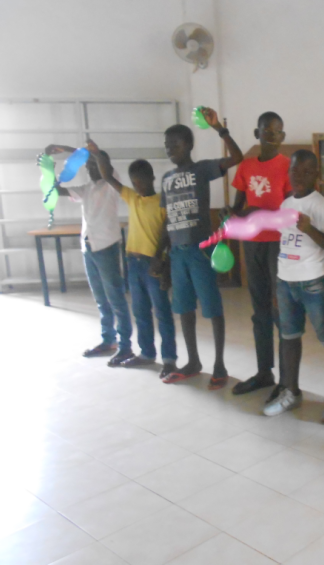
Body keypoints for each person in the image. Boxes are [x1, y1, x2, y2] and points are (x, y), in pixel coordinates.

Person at [150, 108, 243, 389]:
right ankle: (193, 361)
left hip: (201, 252)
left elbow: (237, 158)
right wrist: (159, 254)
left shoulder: (201, 169)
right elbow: (168, 220)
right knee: (184, 309)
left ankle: (219, 365)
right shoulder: (166, 179)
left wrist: (219, 129)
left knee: (212, 309)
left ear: (188, 144)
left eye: (174, 144)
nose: (170, 150)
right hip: (177, 254)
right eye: (166, 145)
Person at [263, 150, 324, 420]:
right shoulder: (286, 203)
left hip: (314, 282)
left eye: (307, 172)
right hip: (286, 281)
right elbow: (284, 241)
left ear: (317, 176)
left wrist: (309, 228)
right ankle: (291, 391)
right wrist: (278, 281)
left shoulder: (321, 205)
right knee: (289, 338)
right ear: (288, 173)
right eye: (295, 171)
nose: (299, 176)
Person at [90, 140, 177, 370]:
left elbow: (169, 235)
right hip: (133, 262)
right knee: (140, 312)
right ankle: (147, 354)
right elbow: (107, 176)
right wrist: (97, 154)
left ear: (152, 179)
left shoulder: (163, 201)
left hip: (153, 264)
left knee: (162, 312)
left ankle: (169, 359)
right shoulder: (132, 197)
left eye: (142, 182)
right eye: (134, 183)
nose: (138, 187)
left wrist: (163, 262)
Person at [45, 143, 133, 366]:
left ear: (105, 166)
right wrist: (50, 168)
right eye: (88, 166)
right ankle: (108, 340)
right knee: (101, 300)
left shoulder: (111, 183)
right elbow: (57, 190)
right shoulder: (87, 188)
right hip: (89, 248)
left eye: (94, 165)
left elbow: (102, 162)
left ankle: (125, 347)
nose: (91, 168)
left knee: (116, 299)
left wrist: (72, 149)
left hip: (106, 247)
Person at [225, 111, 292, 397]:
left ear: (282, 136)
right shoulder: (247, 166)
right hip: (252, 244)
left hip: (279, 244)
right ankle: (264, 372)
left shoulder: (288, 166)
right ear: (257, 133)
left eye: (276, 131)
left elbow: (292, 212)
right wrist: (232, 215)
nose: (271, 135)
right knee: (260, 310)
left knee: (281, 311)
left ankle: (287, 381)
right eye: (266, 130)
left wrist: (258, 212)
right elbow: (239, 205)